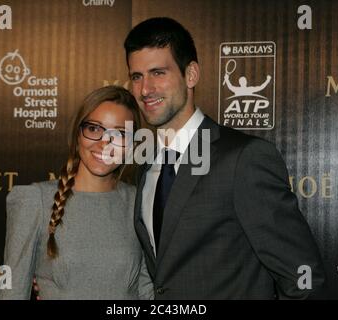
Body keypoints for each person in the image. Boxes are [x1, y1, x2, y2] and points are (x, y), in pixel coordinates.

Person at [124, 17, 326, 299]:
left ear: (191, 74)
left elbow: (304, 279)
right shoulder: (146, 167)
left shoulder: (244, 159)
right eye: (137, 76)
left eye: (158, 73)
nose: (145, 89)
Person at [0, 86, 154, 300]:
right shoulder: (35, 201)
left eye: (120, 134)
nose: (104, 143)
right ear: (78, 133)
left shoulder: (141, 202)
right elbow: (11, 292)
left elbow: (146, 291)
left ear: (132, 144)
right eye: (94, 129)